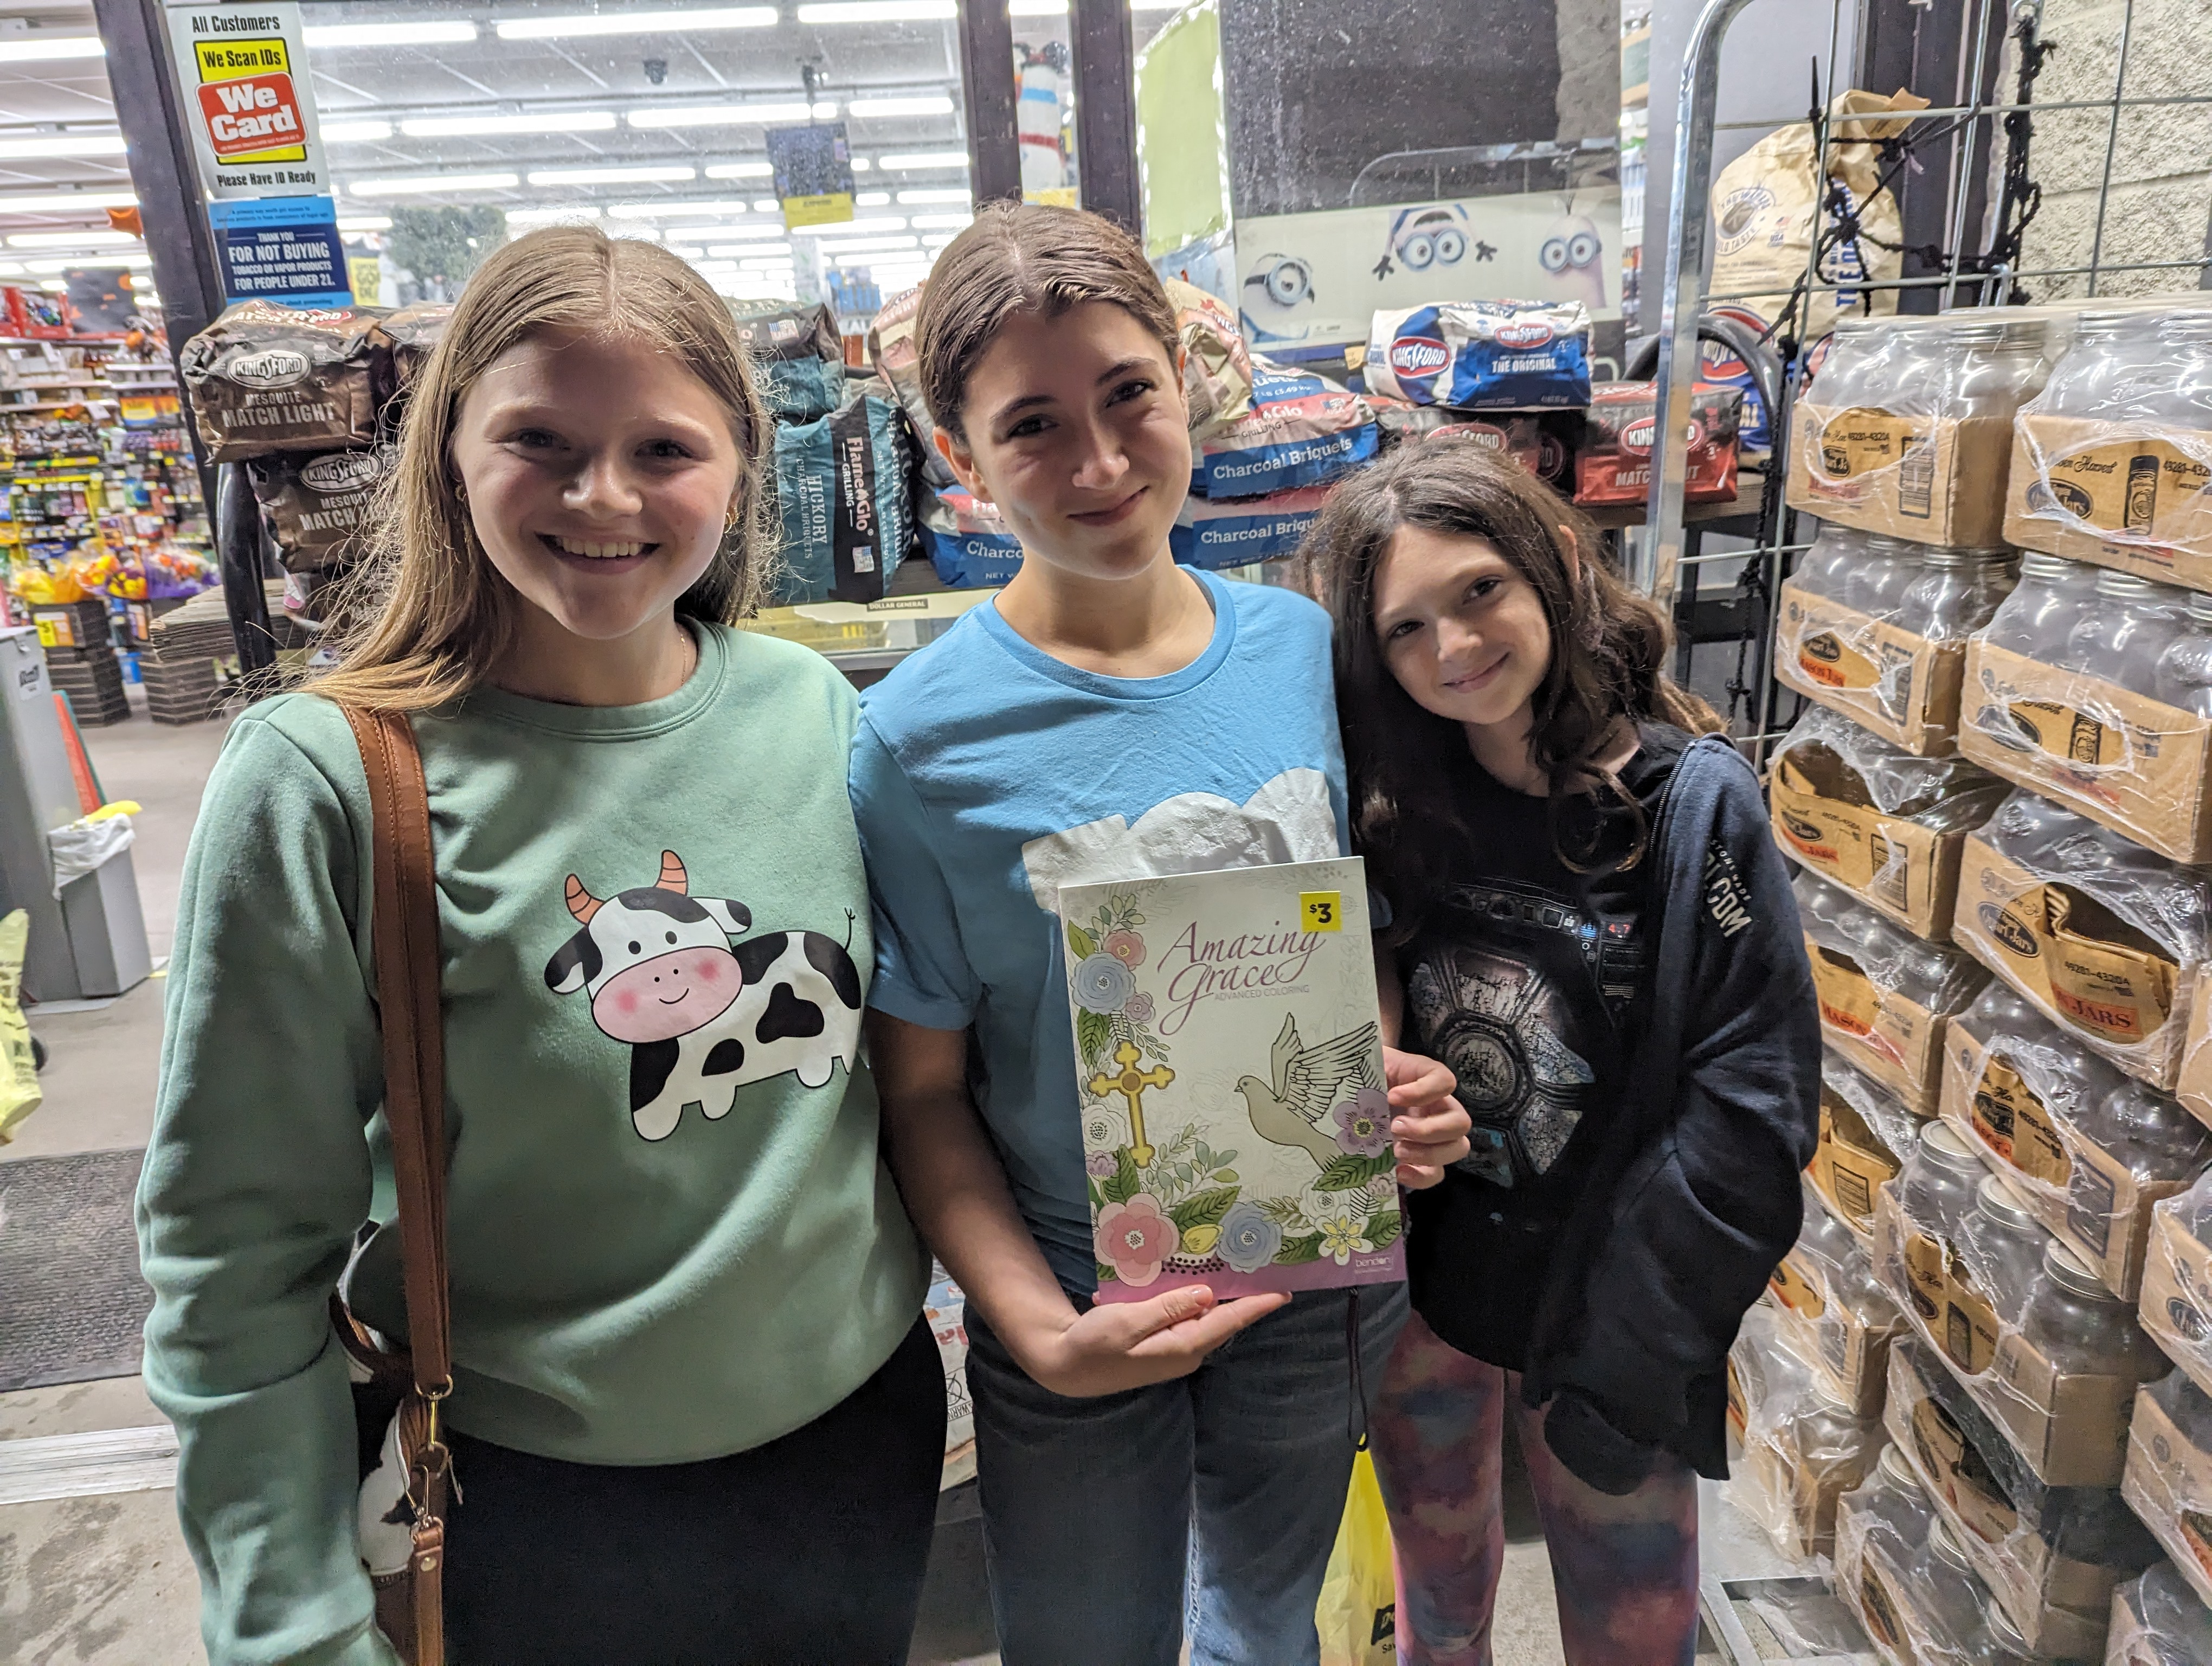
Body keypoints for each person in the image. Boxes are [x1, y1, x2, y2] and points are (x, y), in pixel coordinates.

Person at [135, 227, 940, 1666]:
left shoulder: (813, 712)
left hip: (855, 1462)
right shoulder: (330, 781)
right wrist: (289, 1621)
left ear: (741, 465)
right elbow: (233, 1248)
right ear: (447, 452)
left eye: (663, 450)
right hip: (529, 1516)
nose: (603, 496)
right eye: (540, 442)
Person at [850, 201, 1471, 1666]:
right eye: (1032, 426)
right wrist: (1037, 1329)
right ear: (958, 459)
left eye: (1129, 394)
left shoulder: (1310, 654)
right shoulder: (917, 742)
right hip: (1077, 1294)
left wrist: (1389, 1085)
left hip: (1310, 1284)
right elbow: (922, 1091)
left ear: (1187, 384)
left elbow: (1353, 936)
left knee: (1269, 1624)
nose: (1101, 462)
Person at [1304, 442, 1819, 1666]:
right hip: (1426, 1294)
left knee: (1633, 1621)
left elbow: (1755, 1107)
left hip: (1613, 1313)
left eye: (1479, 590)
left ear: (1552, 568)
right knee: (1437, 1607)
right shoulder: (1387, 807)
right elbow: (1350, 991)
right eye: (1406, 627)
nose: (1454, 646)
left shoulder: (1690, 807)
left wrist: (1646, 1330)